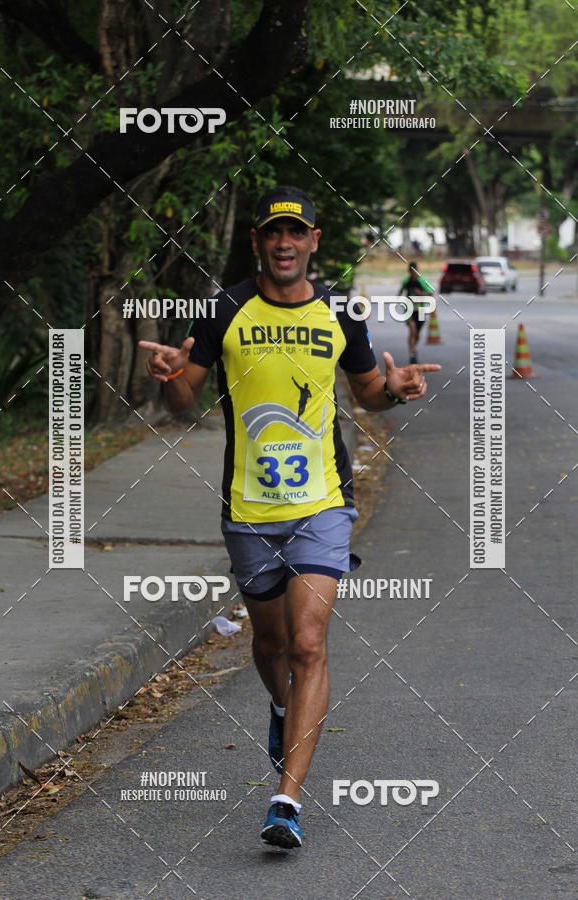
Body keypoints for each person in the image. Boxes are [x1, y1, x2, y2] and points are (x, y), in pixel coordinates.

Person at [139, 186, 440, 850]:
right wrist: (171, 377)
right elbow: (187, 403)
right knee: (271, 645)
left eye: (295, 233)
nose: (284, 244)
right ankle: (281, 706)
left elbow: (367, 391)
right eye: (273, 233)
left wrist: (394, 389)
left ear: (313, 241)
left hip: (323, 505)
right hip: (247, 510)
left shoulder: (338, 310)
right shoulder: (226, 310)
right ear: (258, 242)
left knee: (309, 643)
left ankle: (287, 799)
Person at [399, 261, 434, 364]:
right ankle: (412, 354)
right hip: (409, 310)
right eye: (412, 271)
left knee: (417, 334)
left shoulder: (422, 281)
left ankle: (413, 349)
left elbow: (431, 293)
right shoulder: (406, 281)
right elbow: (401, 291)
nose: (414, 273)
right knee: (412, 330)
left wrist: (421, 293)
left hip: (420, 311)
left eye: (415, 271)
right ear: (409, 271)